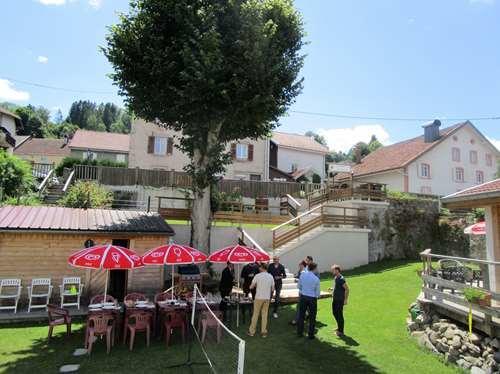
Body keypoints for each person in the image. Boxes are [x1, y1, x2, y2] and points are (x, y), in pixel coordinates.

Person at [248, 262, 275, 338]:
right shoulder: (271, 276)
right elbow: (273, 288)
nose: (258, 268)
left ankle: (252, 332)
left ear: (262, 268)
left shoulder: (257, 276)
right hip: (267, 297)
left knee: (255, 314)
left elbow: (251, 287)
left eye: (259, 267)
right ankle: (263, 332)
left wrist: (255, 285)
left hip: (259, 297)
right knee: (264, 315)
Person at [297, 262, 320, 339]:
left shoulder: (303, 275)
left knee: (301, 315)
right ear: (314, 268)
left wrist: (304, 290)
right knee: (312, 317)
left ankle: (300, 333)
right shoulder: (316, 279)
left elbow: (299, 286)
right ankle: (311, 334)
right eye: (316, 268)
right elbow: (317, 293)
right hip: (312, 298)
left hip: (303, 297)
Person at [332, 264, 349, 336]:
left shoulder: (341, 279)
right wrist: (332, 289)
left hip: (340, 300)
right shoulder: (336, 277)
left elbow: (347, 289)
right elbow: (337, 287)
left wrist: (345, 300)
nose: (332, 271)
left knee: (339, 314)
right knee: (334, 313)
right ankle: (339, 327)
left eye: (333, 270)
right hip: (335, 299)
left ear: (337, 270)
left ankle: (341, 331)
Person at [290, 261, 307, 326]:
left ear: (302, 265)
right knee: (304, 307)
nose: (299, 267)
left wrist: (297, 280)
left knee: (299, 307)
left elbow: (300, 284)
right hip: (306, 293)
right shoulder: (306, 271)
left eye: (299, 265)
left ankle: (296, 321)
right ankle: (304, 317)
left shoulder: (303, 272)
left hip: (302, 292)